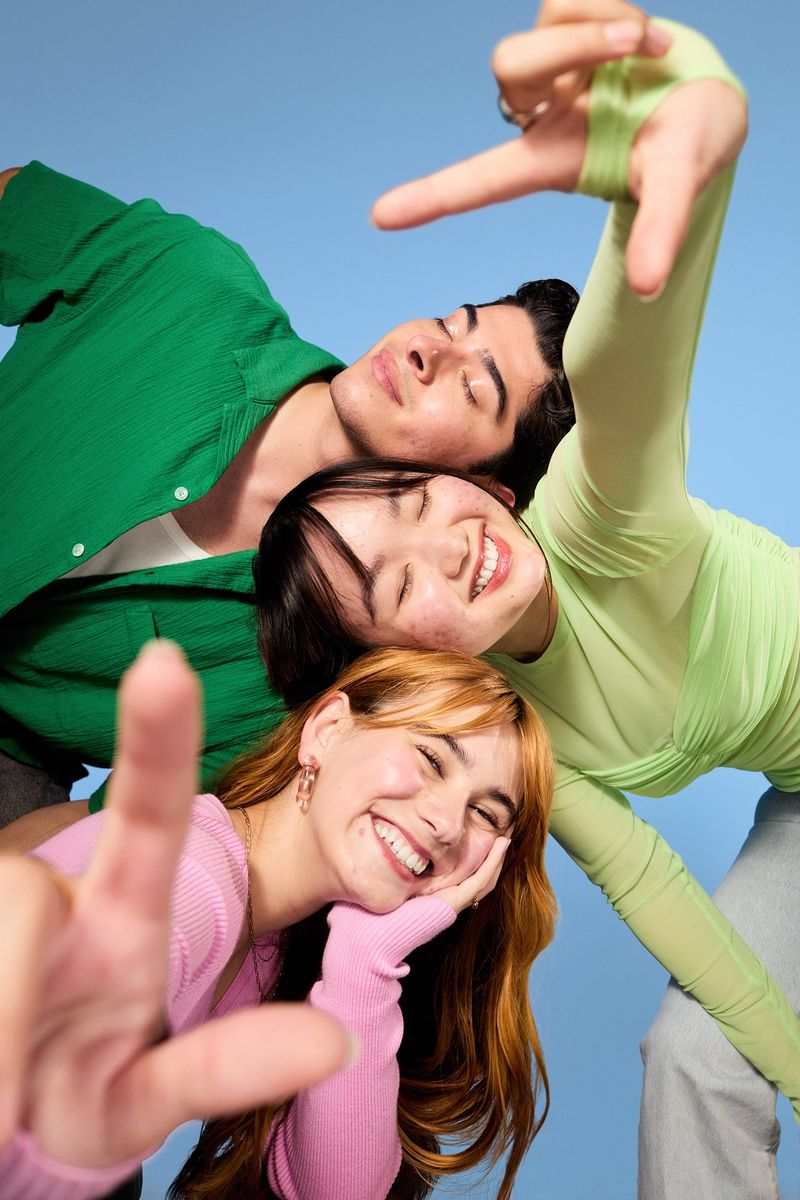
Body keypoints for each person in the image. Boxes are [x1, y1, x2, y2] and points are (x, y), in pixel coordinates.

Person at [255, 15, 800, 1200]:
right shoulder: (516, 727)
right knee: (691, 1061)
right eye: (397, 584)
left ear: (489, 484)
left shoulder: (599, 517)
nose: (445, 546)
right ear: (414, 660)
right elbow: (650, 886)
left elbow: (625, 371)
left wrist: (662, 172)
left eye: (418, 497)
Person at [0, 2, 689, 828]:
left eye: (475, 390)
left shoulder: (313, 677)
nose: (429, 350)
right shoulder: (192, 283)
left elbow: (107, 838)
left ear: (483, 490)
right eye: (453, 323)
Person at [0, 639, 556, 1200]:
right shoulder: (185, 877)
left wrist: (365, 961)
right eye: (432, 759)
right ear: (327, 729)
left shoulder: (278, 950)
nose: (447, 824)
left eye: (485, 813)